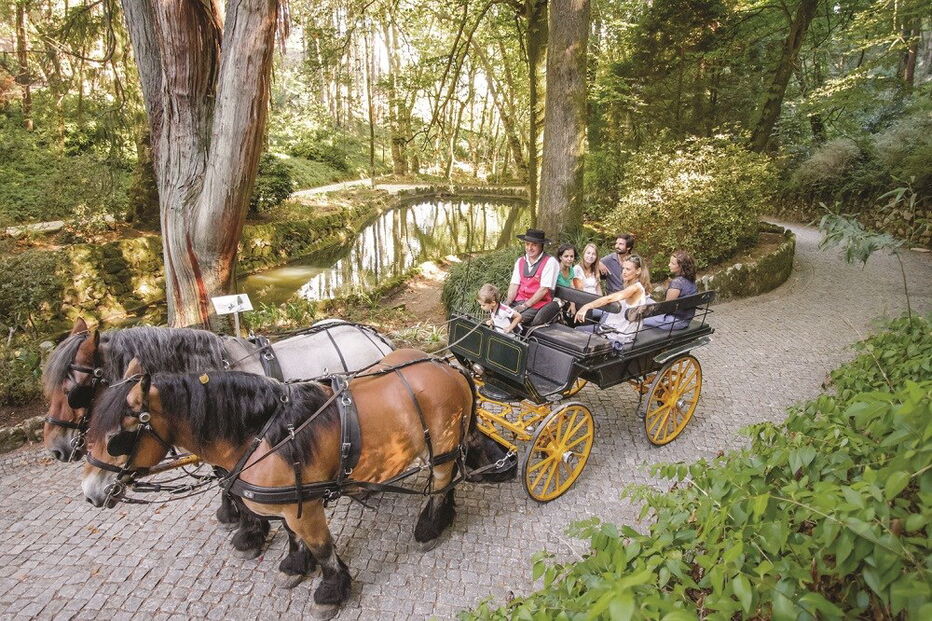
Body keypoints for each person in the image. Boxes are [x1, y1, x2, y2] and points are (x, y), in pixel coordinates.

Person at [575, 254, 651, 348]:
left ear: (638, 271)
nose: (624, 272)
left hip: (620, 334)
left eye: (628, 269)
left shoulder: (636, 288)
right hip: (619, 330)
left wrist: (586, 306)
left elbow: (609, 298)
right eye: (623, 268)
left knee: (577, 331)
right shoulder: (634, 286)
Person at [504, 228, 561, 326]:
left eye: (534, 245)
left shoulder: (550, 262)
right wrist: (508, 302)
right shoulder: (520, 261)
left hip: (538, 305)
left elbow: (543, 290)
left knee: (512, 319)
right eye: (527, 244)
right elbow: (514, 284)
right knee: (498, 314)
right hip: (518, 301)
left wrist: (525, 306)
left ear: (541, 246)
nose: (529, 248)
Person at [643, 250, 699, 330]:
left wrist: (649, 311)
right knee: (647, 301)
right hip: (685, 319)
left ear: (681, 266)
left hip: (674, 321)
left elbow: (666, 308)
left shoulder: (677, 283)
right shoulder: (691, 280)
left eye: (672, 263)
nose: (669, 265)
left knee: (639, 319)